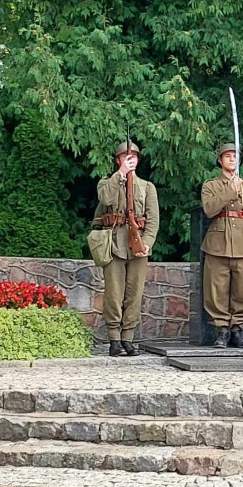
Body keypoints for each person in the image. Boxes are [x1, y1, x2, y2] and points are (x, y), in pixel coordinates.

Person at [94, 141, 160, 357]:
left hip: (137, 245)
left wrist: (147, 242)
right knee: (114, 293)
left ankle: (128, 338)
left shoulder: (147, 187)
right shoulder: (107, 183)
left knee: (134, 293)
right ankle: (114, 338)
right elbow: (105, 199)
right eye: (125, 157)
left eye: (133, 157)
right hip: (114, 243)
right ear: (118, 160)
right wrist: (121, 174)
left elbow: (153, 220)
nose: (130, 160)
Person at [201, 144, 243, 348]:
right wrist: (229, 191)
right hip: (217, 244)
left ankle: (237, 330)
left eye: (235, 156)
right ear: (220, 160)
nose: (231, 160)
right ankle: (222, 330)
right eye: (227, 156)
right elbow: (209, 210)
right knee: (216, 290)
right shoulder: (211, 186)